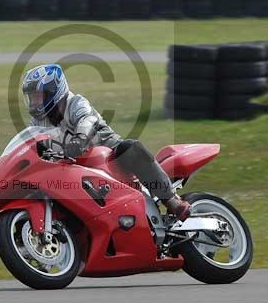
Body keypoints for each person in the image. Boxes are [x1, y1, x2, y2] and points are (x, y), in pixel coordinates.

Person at [22, 63, 191, 219]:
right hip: (74, 165)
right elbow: (32, 143)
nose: (34, 102)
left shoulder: (75, 103)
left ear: (54, 92)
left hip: (107, 153)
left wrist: (80, 139)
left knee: (130, 147)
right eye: (32, 97)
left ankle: (172, 201)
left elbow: (87, 120)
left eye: (38, 96)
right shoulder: (37, 122)